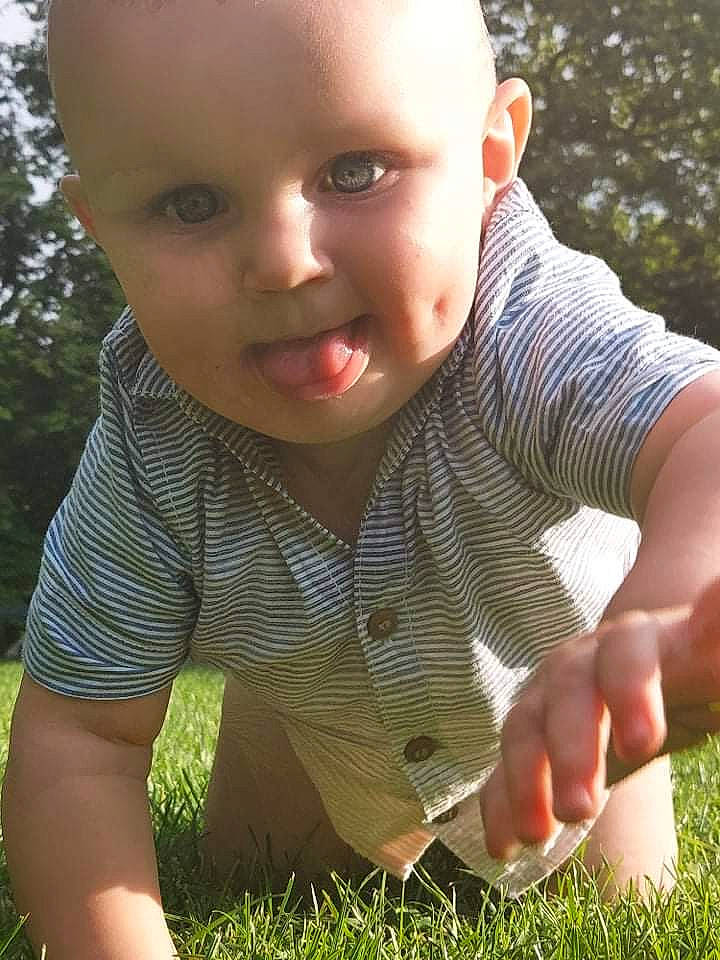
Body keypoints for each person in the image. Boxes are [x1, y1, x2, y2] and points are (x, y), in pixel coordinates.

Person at [3, 0, 720, 956]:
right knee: (248, 879)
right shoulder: (153, 435)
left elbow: (703, 429)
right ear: (99, 227)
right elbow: (82, 736)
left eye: (354, 171)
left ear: (490, 158)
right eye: (190, 203)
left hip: (562, 724)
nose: (282, 262)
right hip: (313, 743)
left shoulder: (523, 326)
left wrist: (663, 611)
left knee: (626, 913)